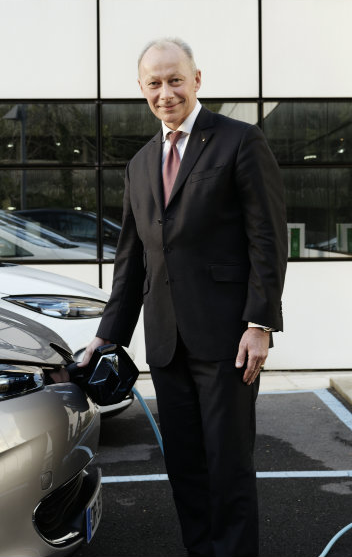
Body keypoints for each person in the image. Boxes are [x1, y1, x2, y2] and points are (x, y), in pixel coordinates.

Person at [78, 37, 287, 557]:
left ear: (197, 79)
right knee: (186, 467)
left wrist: (260, 323)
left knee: (228, 465)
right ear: (142, 90)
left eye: (175, 80)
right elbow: (132, 259)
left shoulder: (239, 141)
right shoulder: (141, 163)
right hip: (167, 341)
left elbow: (268, 238)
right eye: (155, 83)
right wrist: (107, 336)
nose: (166, 92)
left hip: (227, 340)